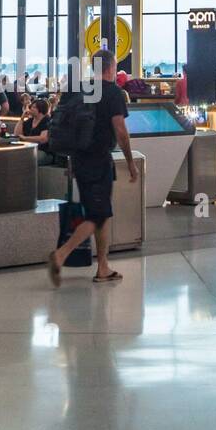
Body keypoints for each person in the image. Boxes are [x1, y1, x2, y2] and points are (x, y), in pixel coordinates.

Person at [49, 50, 137, 287]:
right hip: (98, 160)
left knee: (102, 212)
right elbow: (120, 129)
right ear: (111, 67)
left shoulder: (82, 89)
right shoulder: (113, 93)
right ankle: (61, 254)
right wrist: (130, 162)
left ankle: (103, 266)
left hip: (80, 158)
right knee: (97, 215)